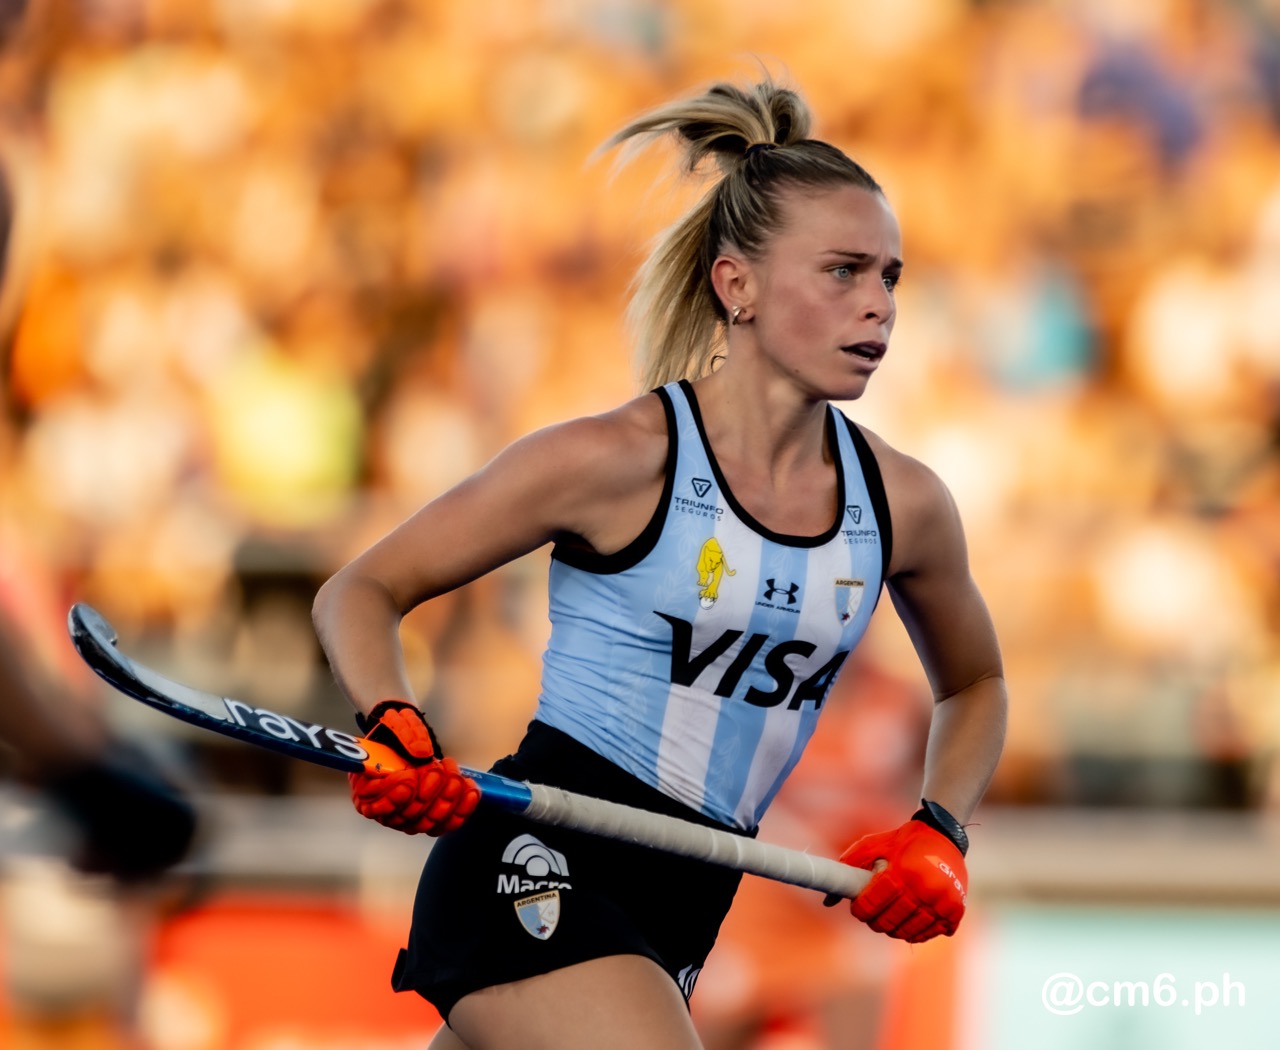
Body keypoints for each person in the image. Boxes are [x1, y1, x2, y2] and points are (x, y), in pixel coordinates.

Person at [313, 76, 1007, 1050]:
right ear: (738, 285)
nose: (877, 307)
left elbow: (972, 680)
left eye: (889, 277)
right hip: (535, 857)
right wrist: (393, 722)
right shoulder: (613, 460)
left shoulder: (904, 503)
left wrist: (941, 824)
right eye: (842, 272)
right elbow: (362, 590)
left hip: (684, 906)